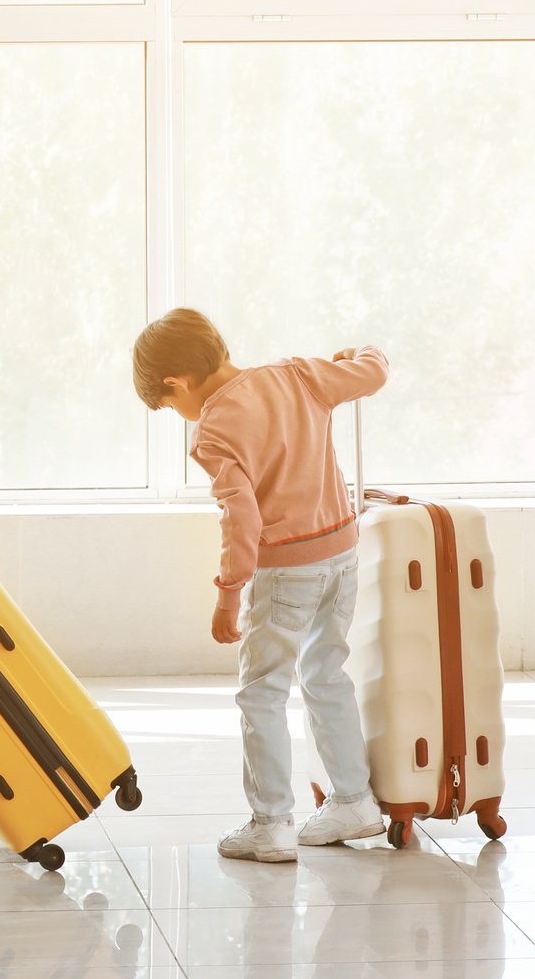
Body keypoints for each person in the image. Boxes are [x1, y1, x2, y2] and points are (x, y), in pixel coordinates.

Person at [134, 308, 387, 862]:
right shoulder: (298, 374)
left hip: (285, 571)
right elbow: (373, 373)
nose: (179, 416)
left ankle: (271, 823)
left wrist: (228, 593)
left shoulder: (213, 432)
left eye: (170, 406)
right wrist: (359, 353)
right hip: (342, 555)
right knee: (326, 673)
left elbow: (242, 522)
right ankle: (355, 801)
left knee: (263, 691)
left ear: (176, 383)